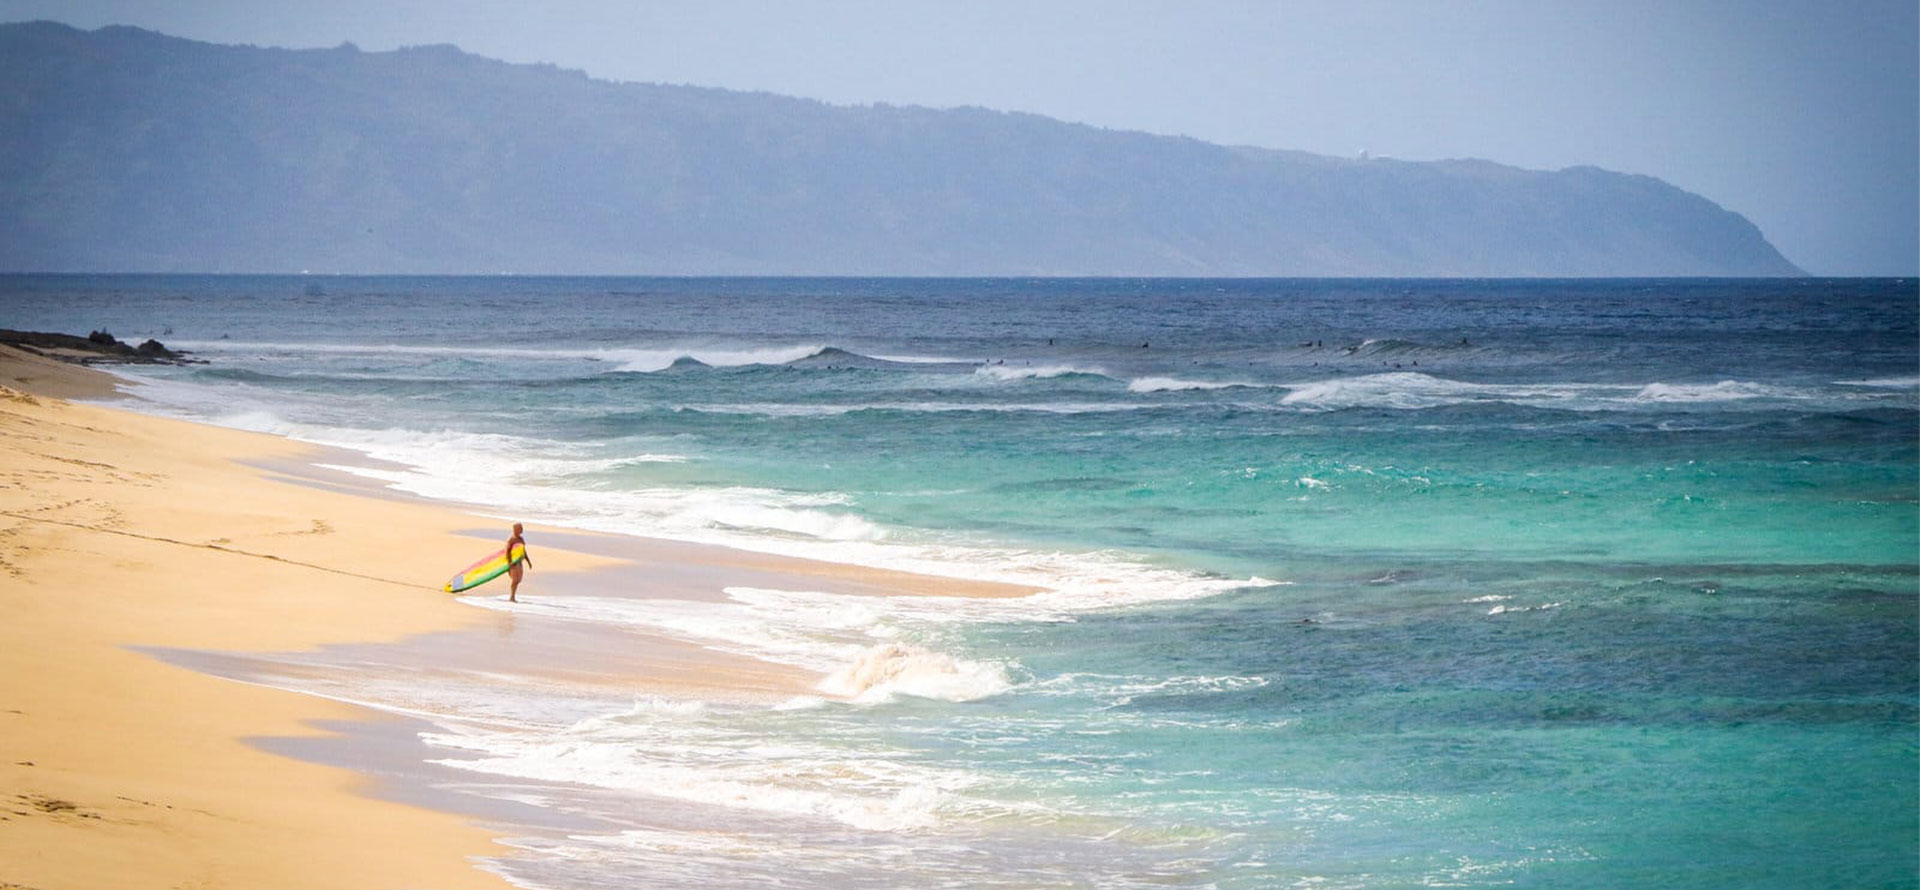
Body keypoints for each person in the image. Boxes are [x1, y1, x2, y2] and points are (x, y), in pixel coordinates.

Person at [505, 522, 533, 602]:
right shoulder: (511, 539)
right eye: (520, 528)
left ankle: (512, 596)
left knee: (519, 580)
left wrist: (528, 561)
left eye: (522, 528)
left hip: (519, 562)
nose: (522, 530)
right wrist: (509, 563)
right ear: (515, 529)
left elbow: (523, 551)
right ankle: (512, 597)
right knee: (515, 580)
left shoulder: (521, 539)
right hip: (513, 563)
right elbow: (507, 551)